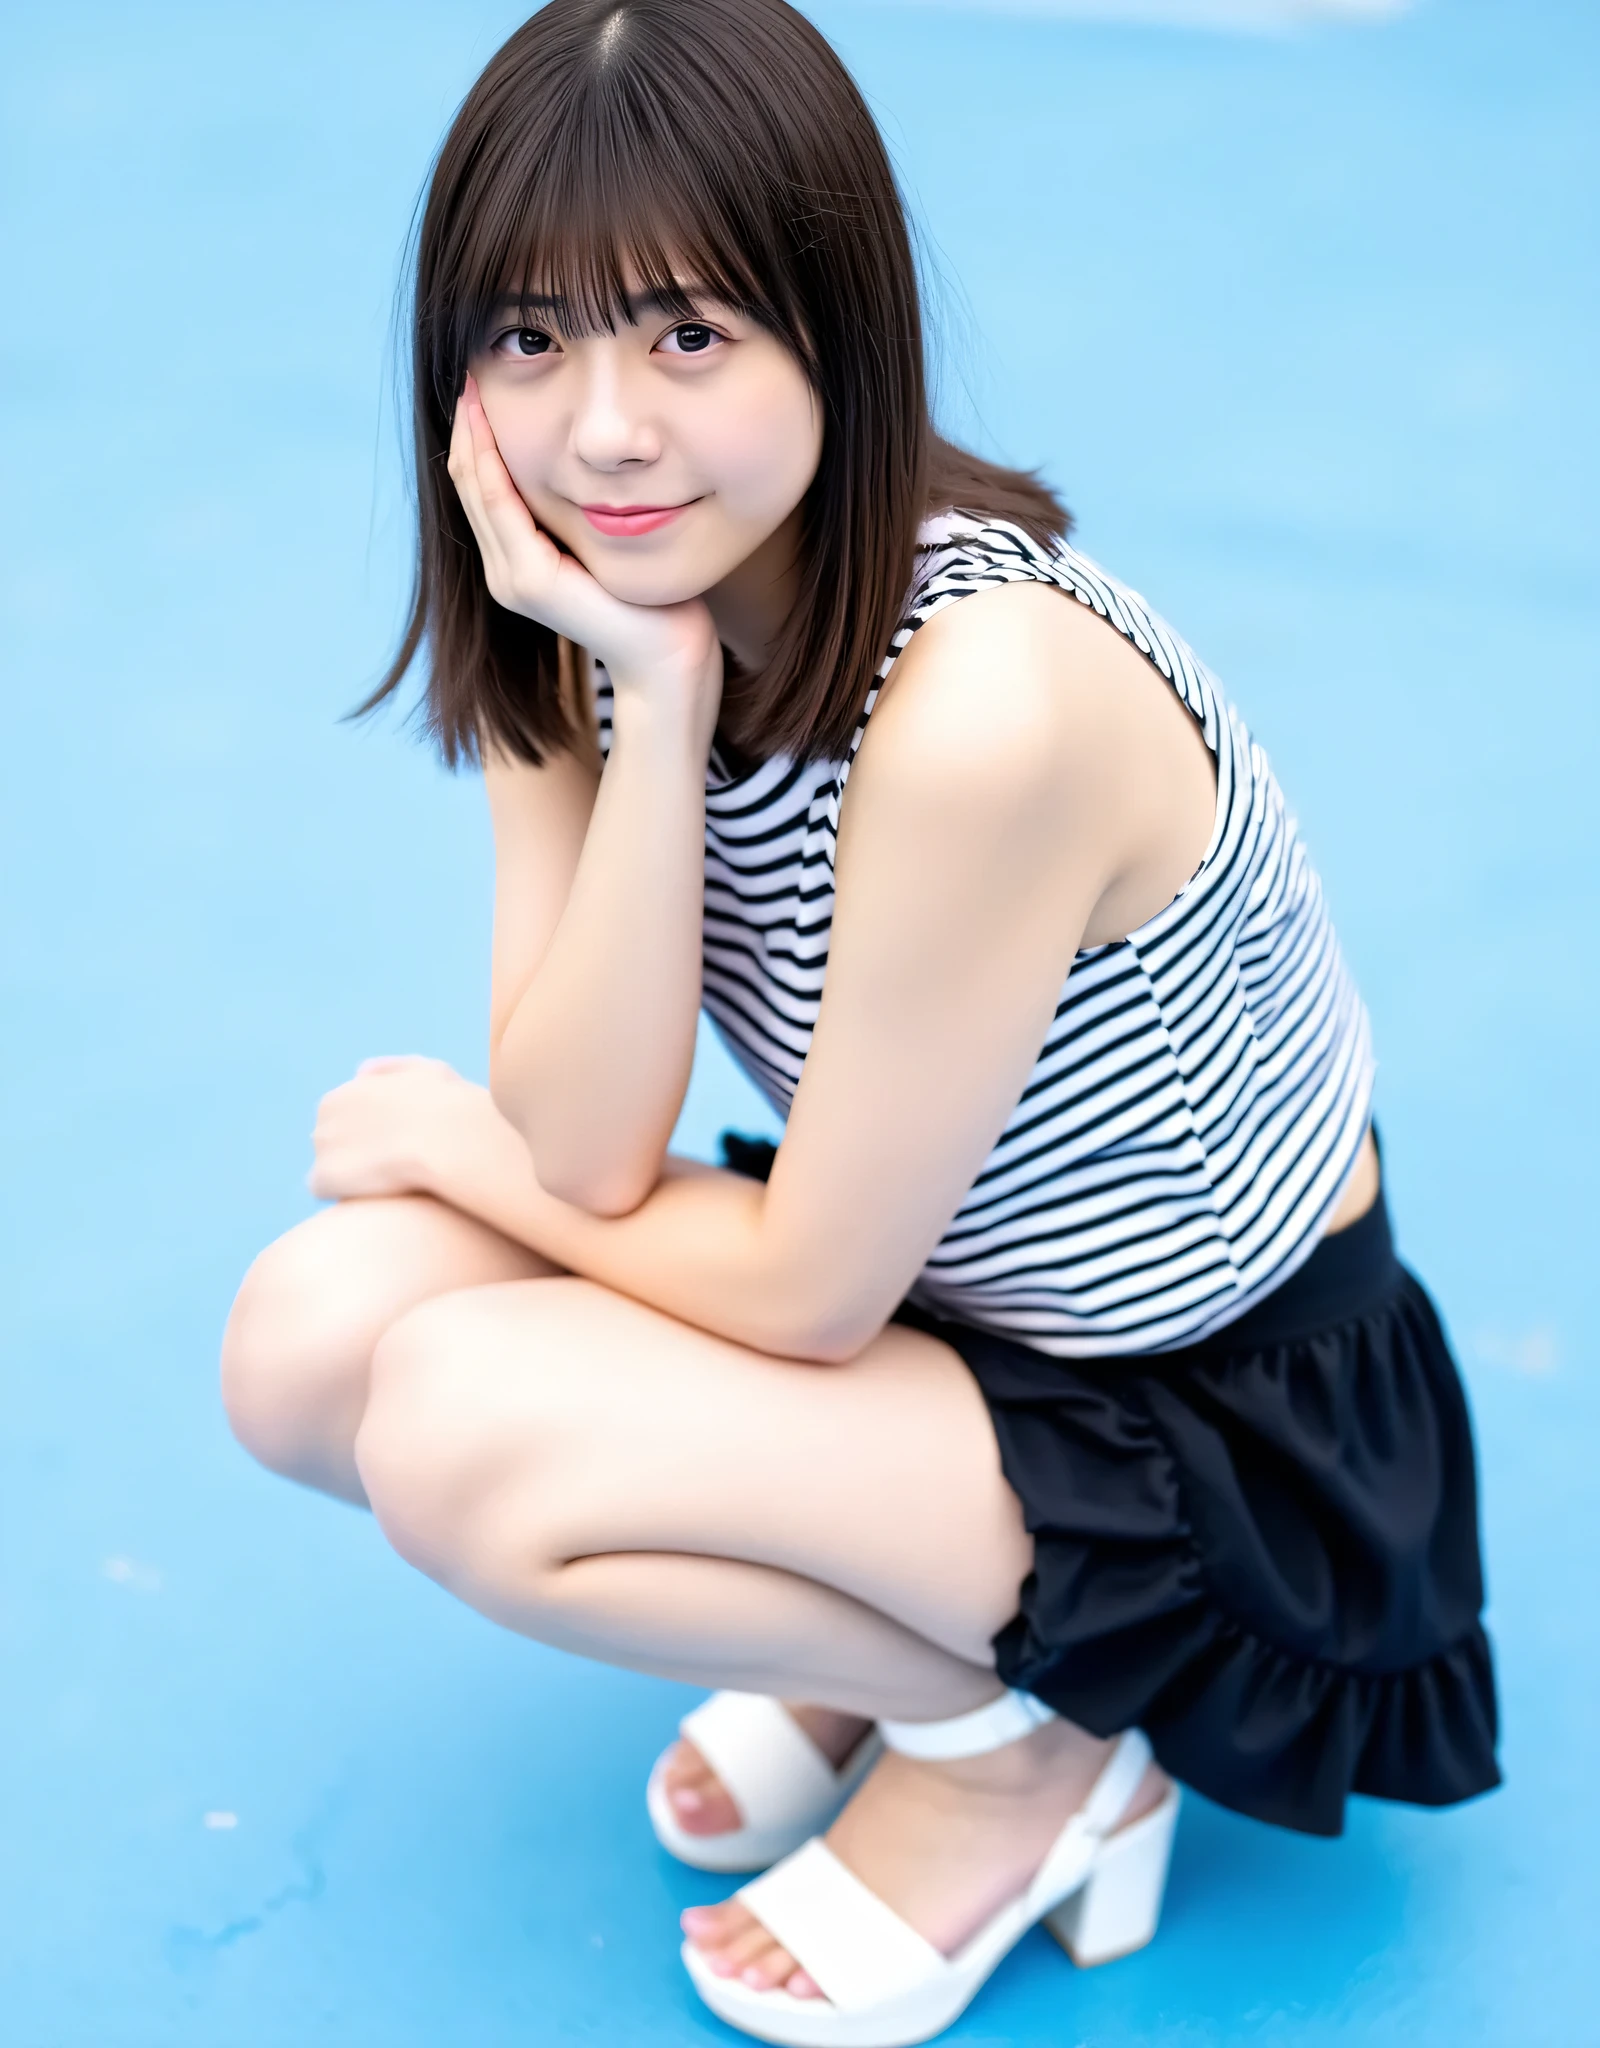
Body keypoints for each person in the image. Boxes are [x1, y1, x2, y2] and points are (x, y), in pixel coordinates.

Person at [219, 2, 1500, 2040]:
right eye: (531, 336)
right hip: (944, 1287)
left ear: (836, 326)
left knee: (461, 1434)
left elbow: (791, 1279)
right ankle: (916, 1617)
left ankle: (1028, 1743)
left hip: (1200, 1409)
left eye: (689, 335)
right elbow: (590, 1136)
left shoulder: (977, 702)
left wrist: (467, 1150)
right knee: (308, 1343)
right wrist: (640, 708)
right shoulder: (598, 604)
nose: (604, 428)